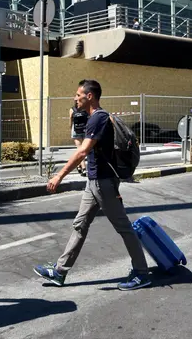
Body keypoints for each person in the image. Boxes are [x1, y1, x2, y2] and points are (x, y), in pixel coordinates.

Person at [34, 79, 151, 291]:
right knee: (80, 224)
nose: (75, 98)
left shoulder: (98, 118)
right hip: (94, 182)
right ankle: (60, 271)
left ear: (89, 96)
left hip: (103, 183)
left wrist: (59, 176)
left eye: (78, 95)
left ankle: (142, 273)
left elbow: (82, 151)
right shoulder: (93, 118)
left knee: (124, 227)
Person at [69, 102, 89, 176]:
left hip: (75, 130)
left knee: (79, 149)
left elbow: (70, 120)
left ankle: (83, 168)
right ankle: (80, 166)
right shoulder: (86, 109)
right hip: (84, 130)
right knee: (83, 149)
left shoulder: (72, 109)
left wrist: (70, 127)